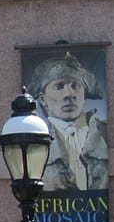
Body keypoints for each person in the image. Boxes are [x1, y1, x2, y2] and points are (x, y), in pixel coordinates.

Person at [29, 51, 109, 191]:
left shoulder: (105, 133)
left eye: (75, 86)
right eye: (59, 86)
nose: (69, 94)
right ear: (43, 99)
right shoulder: (34, 141)